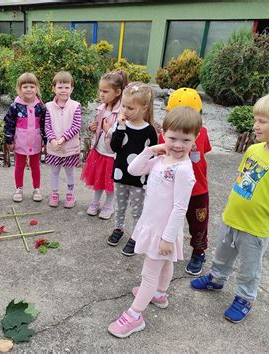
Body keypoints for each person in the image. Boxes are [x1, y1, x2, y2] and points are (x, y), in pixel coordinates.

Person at [191, 89, 269, 323]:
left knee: (250, 268)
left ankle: (245, 297)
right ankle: (217, 278)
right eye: (255, 120)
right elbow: (243, 180)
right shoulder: (254, 149)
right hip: (232, 217)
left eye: (262, 121)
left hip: (256, 227)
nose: (255, 125)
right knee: (222, 253)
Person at [108, 106, 201, 338]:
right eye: (172, 138)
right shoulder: (162, 159)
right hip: (153, 224)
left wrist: (168, 238)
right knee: (165, 263)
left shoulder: (184, 170)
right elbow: (133, 168)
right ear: (164, 133)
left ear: (195, 139)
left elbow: (181, 207)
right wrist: (150, 149)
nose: (178, 145)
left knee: (149, 273)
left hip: (163, 231)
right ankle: (159, 294)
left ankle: (135, 315)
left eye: (185, 140)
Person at [160, 88, 212, 275]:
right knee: (167, 219)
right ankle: (165, 243)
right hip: (171, 189)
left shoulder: (202, 133)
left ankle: (199, 252)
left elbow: (203, 152)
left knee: (198, 222)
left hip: (198, 190)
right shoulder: (165, 135)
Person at [108, 83, 158, 255]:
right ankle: (118, 228)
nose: (125, 111)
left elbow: (153, 156)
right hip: (120, 174)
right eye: (123, 106)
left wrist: (149, 177)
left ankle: (136, 236)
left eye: (130, 107)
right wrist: (120, 128)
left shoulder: (150, 131)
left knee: (137, 210)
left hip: (138, 180)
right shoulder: (120, 125)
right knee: (120, 206)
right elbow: (115, 147)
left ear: (144, 108)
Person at [81, 71, 128, 219]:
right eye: (100, 90)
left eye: (105, 91)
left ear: (118, 92)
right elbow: (97, 125)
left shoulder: (122, 112)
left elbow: (122, 134)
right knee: (98, 178)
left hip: (112, 154)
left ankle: (109, 204)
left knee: (110, 181)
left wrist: (108, 131)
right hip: (99, 150)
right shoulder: (102, 108)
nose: (101, 94)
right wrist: (92, 127)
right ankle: (95, 201)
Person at [4, 72, 47, 202]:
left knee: (35, 165)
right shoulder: (15, 106)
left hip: (35, 140)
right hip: (20, 141)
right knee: (19, 165)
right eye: (25, 86)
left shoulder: (40, 106)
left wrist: (45, 141)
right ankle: (19, 188)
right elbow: (9, 124)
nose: (29, 89)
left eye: (32, 86)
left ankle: (36, 189)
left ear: (36, 88)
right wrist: (9, 140)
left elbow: (45, 124)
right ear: (19, 89)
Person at [45, 71, 82, 208]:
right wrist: (53, 140)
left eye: (67, 87)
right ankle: (54, 193)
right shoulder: (48, 107)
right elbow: (47, 126)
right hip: (54, 147)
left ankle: (70, 194)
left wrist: (62, 139)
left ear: (71, 88)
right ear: (53, 88)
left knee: (69, 171)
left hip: (69, 148)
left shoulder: (76, 106)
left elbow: (76, 126)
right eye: (60, 87)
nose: (63, 90)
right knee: (54, 171)